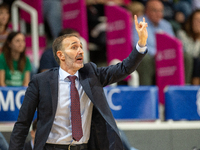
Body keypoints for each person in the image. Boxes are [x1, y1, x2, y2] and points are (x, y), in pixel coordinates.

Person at [9, 15, 148, 150]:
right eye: (74, 47)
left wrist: (141, 44)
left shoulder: (91, 74)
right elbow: (22, 123)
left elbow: (124, 68)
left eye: (81, 46)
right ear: (60, 55)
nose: (80, 51)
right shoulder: (41, 81)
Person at [133, 0, 192, 85]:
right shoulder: (139, 23)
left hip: (167, 56)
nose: (158, 14)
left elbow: (173, 43)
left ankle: (183, 90)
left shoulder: (166, 25)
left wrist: (171, 54)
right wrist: (157, 54)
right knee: (145, 59)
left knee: (187, 57)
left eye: (161, 11)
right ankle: (147, 93)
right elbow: (138, 45)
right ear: (147, 11)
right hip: (151, 58)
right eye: (155, 10)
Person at [177, 9, 200, 85]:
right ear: (190, 21)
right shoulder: (182, 34)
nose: (198, 23)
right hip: (185, 63)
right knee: (196, 61)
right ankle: (192, 89)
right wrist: (198, 39)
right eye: (196, 20)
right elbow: (191, 53)